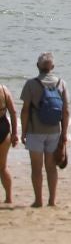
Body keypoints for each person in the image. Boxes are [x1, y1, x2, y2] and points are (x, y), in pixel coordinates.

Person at [19, 54, 68, 209]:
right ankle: (52, 200)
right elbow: (66, 111)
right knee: (51, 167)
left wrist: (23, 131)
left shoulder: (31, 84)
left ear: (37, 66)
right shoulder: (61, 83)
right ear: (52, 67)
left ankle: (38, 200)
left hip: (35, 131)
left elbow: (25, 110)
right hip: (54, 131)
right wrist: (64, 134)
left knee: (36, 168)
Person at [0, 76, 17, 206]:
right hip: (3, 128)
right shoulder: (4, 90)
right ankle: (9, 198)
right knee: (3, 167)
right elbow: (13, 112)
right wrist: (15, 133)